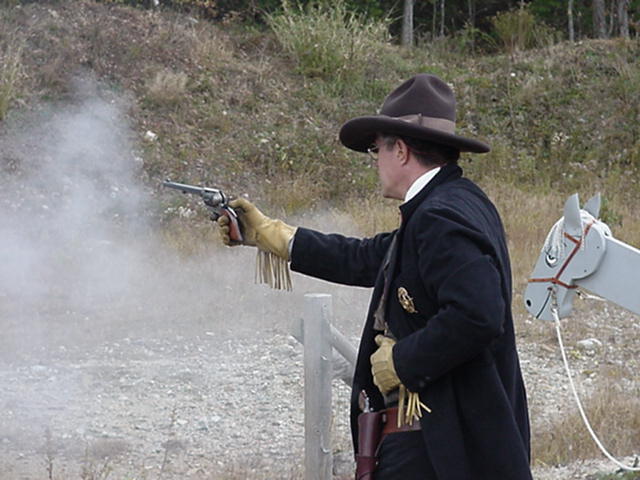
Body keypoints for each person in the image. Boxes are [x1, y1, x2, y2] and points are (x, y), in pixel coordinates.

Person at [218, 74, 533, 480]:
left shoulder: (440, 216)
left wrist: (402, 361)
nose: (375, 161)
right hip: (444, 446)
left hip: (438, 451)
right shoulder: (448, 205)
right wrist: (274, 237)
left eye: (376, 149)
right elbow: (368, 257)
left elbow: (479, 315)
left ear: (400, 150)